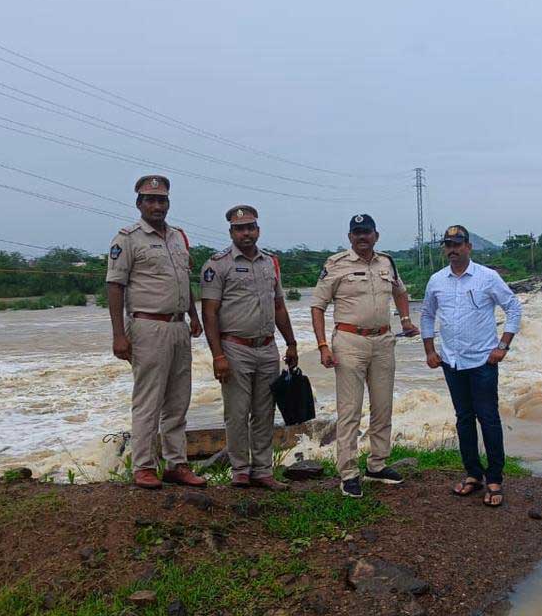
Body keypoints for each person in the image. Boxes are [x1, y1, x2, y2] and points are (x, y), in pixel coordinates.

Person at [106, 174, 207, 490]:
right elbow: (115, 285)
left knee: (178, 400)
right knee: (149, 400)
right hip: (147, 326)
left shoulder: (178, 237)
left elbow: (184, 280)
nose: (156, 205)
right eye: (150, 199)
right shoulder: (128, 238)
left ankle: (177, 465)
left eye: (161, 199)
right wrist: (119, 334)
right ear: (139, 203)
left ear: (168, 203)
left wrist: (193, 314)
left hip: (178, 327)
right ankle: (144, 466)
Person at [310, 214, 418, 498]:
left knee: (383, 406)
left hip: (383, 340)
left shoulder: (387, 263)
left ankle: (377, 464)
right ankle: (348, 472)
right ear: (349, 237)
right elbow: (317, 306)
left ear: (376, 236)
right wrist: (323, 345)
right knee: (350, 410)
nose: (362, 237)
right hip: (349, 341)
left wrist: (405, 319)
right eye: (356, 233)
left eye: (366, 232)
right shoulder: (335, 265)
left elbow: (400, 292)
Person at [420, 224, 522, 507]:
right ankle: (473, 474)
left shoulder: (488, 277)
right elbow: (427, 315)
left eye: (457, 244)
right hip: (451, 362)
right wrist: (429, 350)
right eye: (448, 245)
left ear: (469, 247)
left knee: (488, 418)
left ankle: (495, 479)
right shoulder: (436, 280)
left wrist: (502, 346)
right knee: (463, 418)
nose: (452, 249)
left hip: (482, 362)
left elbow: (513, 308)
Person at [199, 205, 298, 490]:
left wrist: (291, 343)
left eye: (251, 227)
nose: (246, 233)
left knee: (265, 412)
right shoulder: (217, 265)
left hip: (267, 348)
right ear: (231, 232)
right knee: (237, 413)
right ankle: (240, 471)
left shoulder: (270, 263)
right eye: (240, 228)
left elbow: (279, 306)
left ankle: (263, 471)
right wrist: (218, 355)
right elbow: (210, 313)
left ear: (258, 230)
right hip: (234, 348)